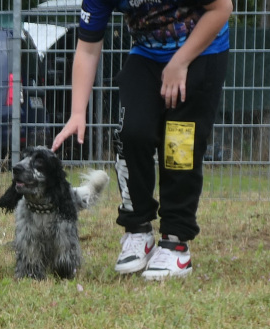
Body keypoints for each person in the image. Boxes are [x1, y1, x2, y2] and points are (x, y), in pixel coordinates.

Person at [51, 0, 233, 281]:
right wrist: (77, 112)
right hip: (147, 54)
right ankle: (138, 231)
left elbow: (222, 8)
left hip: (202, 50)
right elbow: (87, 48)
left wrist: (180, 62)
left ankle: (176, 243)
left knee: (179, 145)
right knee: (131, 134)